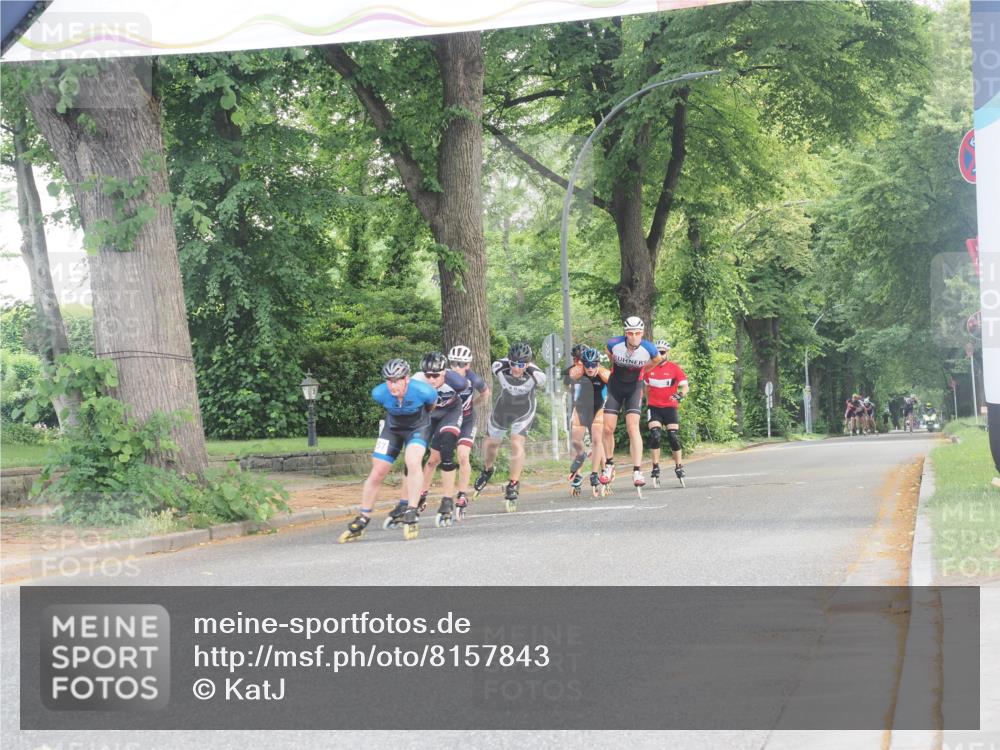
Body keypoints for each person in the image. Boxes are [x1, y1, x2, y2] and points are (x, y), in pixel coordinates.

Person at [339, 358, 437, 543]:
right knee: (377, 471)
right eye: (389, 380)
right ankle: (364, 516)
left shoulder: (424, 391)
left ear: (406, 378)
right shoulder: (379, 393)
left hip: (418, 427)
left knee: (413, 461)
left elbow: (431, 407)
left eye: (397, 380)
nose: (393, 385)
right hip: (392, 429)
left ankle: (411, 509)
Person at [399, 352, 469, 527]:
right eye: (427, 375)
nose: (431, 379)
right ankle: (405, 501)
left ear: (444, 372)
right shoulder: (416, 380)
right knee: (413, 457)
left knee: (446, 449)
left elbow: (468, 405)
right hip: (429, 415)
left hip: (450, 413)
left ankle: (447, 500)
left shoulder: (458, 382)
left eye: (435, 375)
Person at [474, 342, 547, 510]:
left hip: (524, 409)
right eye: (513, 363)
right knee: (491, 445)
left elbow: (541, 382)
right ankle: (488, 470)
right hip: (503, 406)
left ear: (528, 364)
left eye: (521, 365)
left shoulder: (537, 376)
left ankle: (513, 483)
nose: (516, 368)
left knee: (516, 442)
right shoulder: (498, 366)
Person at [601, 316, 665, 490]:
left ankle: (637, 470)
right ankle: (609, 464)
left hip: (634, 388)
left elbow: (657, 360)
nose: (634, 337)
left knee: (632, 427)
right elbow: (609, 353)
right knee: (607, 428)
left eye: (637, 333)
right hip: (615, 386)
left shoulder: (649, 349)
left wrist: (643, 370)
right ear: (625, 333)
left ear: (642, 333)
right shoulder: (614, 343)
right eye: (630, 333)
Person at [443, 344, 489, 517]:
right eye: (454, 363)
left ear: (468, 365)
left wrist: (472, 405)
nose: (456, 367)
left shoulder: (473, 379)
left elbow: (486, 393)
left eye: (461, 364)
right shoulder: (444, 376)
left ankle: (462, 494)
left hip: (467, 421)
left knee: (462, 455)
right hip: (449, 420)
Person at [564, 346, 610, 496]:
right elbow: (566, 383)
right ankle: (580, 464)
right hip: (581, 407)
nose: (590, 368)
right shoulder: (576, 371)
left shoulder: (603, 373)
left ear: (598, 363)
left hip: (598, 408)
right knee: (576, 440)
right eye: (586, 364)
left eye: (593, 364)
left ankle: (596, 472)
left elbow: (615, 388)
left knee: (597, 439)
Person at [642, 339, 689, 483]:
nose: (660, 355)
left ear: (667, 353)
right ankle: (655, 466)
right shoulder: (648, 369)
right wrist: (645, 401)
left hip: (670, 407)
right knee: (655, 435)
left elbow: (685, 386)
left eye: (662, 352)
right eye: (657, 352)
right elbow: (644, 388)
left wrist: (680, 395)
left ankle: (679, 466)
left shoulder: (674, 368)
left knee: (673, 437)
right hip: (654, 407)